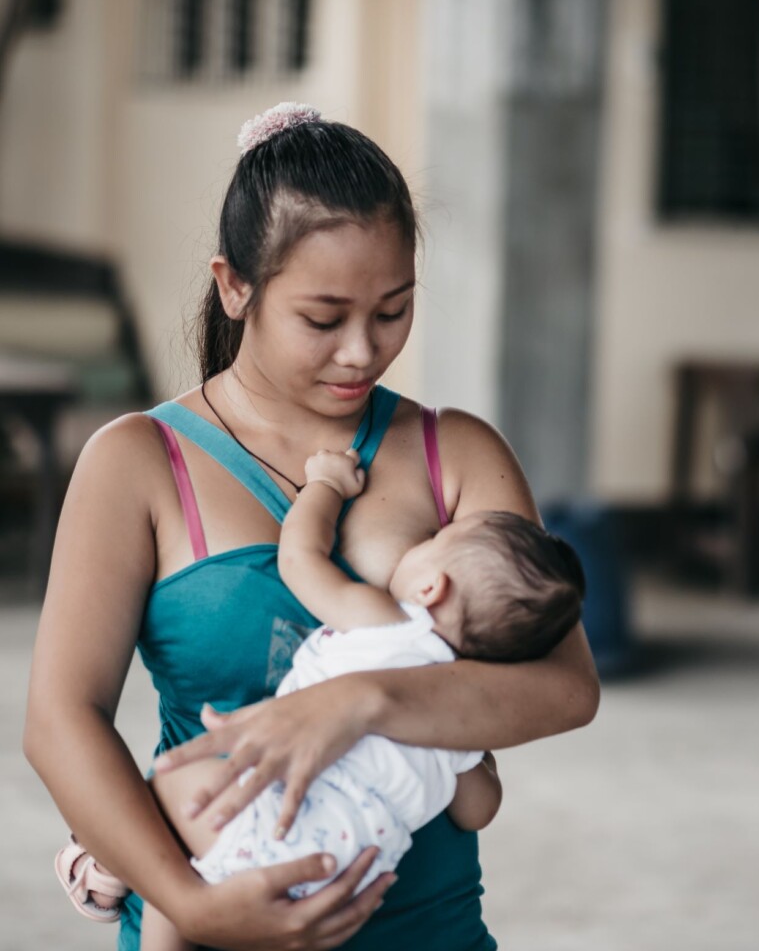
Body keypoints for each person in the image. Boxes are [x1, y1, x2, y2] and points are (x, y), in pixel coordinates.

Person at [24, 102, 600, 951]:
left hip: (425, 930)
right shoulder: (140, 461)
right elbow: (60, 719)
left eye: (394, 311)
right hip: (206, 912)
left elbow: (564, 687)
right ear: (235, 286)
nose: (363, 352)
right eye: (324, 320)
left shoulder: (457, 452)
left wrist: (359, 702)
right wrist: (190, 904)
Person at [58, 445, 584, 951]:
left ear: (431, 589)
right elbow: (478, 810)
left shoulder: (388, 621)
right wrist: (477, 757)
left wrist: (325, 487)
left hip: (287, 819)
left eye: (426, 543)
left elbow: (301, 560)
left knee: (170, 796)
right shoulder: (458, 710)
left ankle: (120, 879)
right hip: (350, 875)